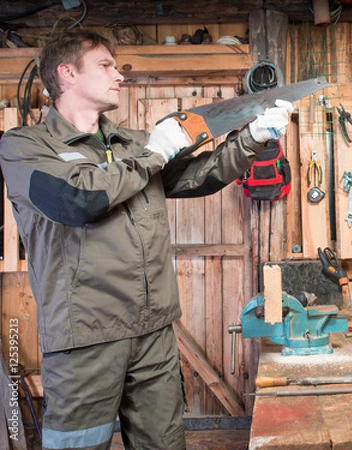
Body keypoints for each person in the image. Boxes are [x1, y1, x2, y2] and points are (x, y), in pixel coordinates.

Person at [0, 29, 293, 450]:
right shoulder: (25, 147)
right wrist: (154, 154)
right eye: (105, 65)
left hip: (154, 330)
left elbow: (200, 175)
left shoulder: (133, 144)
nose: (119, 75)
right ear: (66, 73)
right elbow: (78, 198)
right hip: (86, 338)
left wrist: (252, 138)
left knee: (164, 443)